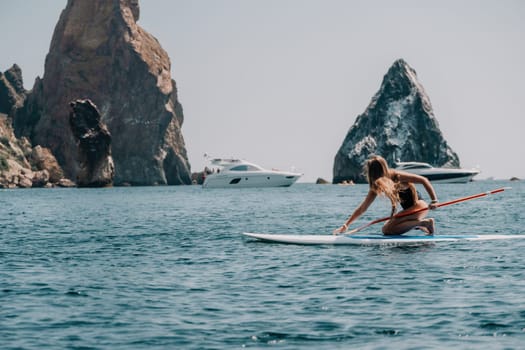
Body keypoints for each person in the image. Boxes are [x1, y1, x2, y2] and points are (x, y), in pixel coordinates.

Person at [333, 155, 439, 235]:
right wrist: (346, 225)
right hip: (410, 210)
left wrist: (434, 201)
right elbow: (362, 208)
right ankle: (420, 224)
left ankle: (424, 223)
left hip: (419, 207)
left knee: (387, 229)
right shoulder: (376, 187)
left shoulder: (397, 176)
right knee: (386, 228)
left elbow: (424, 180)